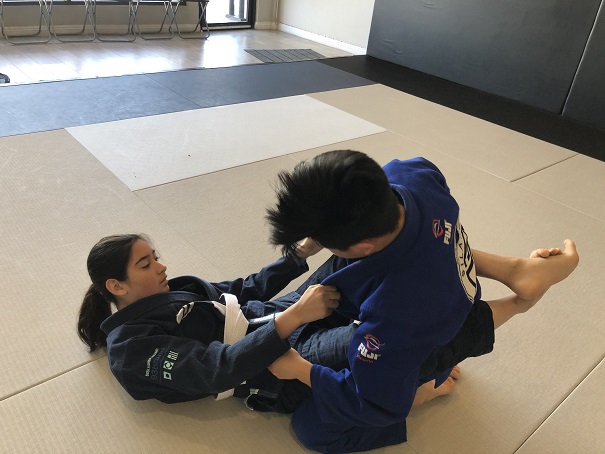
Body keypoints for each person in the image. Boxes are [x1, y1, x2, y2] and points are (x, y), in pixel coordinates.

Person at [265, 150, 579, 453]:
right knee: (345, 277)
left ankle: (427, 389)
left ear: (363, 245)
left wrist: (302, 370)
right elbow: (440, 236)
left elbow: (376, 404)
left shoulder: (394, 315)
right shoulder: (410, 174)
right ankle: (514, 269)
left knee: (311, 428)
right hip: (432, 280)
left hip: (433, 321)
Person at [77, 233, 457, 412]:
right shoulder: (132, 352)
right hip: (273, 366)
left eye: (156, 257)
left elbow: (242, 290)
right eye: (146, 264)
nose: (162, 267)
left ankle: (439, 272)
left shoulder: (172, 289)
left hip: (271, 314)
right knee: (375, 341)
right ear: (116, 286)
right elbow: (217, 369)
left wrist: (301, 252)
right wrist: (298, 317)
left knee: (351, 254)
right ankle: (436, 356)